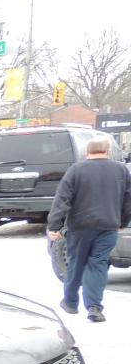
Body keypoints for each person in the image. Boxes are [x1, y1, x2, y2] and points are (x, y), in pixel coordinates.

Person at [47, 136, 131, 323]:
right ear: (107, 151)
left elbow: (62, 199)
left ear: (87, 152)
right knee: (98, 264)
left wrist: (55, 225)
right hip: (109, 227)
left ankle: (70, 301)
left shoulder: (76, 170)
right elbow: (128, 199)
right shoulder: (120, 170)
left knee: (76, 263)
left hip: (80, 228)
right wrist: (122, 222)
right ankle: (94, 307)